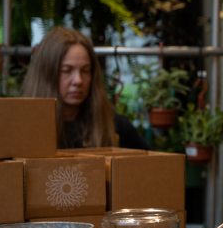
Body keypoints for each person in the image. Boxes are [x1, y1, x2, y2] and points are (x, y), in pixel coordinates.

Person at [21, 27, 149, 150]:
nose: (78, 80)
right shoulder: (23, 129)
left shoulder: (115, 127)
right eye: (67, 70)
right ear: (47, 74)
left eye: (85, 71)